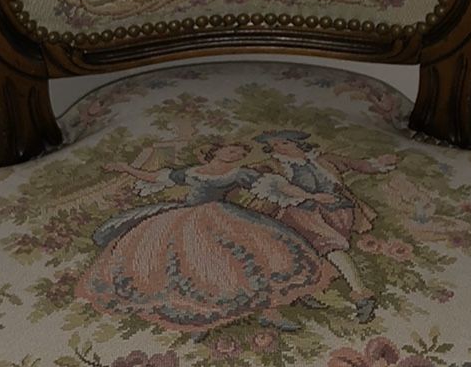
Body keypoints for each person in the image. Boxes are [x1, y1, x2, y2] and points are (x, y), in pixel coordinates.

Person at [76, 143, 333, 333]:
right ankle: (200, 315)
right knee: (181, 264)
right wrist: (124, 167)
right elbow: (154, 177)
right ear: (216, 152)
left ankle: (271, 310)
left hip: (220, 216)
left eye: (240, 153)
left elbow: (276, 186)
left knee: (251, 257)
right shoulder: (192, 172)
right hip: (183, 219)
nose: (237, 155)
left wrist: (313, 197)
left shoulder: (238, 173)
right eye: (232, 151)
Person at [247, 133, 398, 322]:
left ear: (298, 144)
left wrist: (379, 163)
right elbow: (250, 174)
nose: (279, 147)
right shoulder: (275, 165)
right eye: (274, 145)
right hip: (300, 212)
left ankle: (314, 291)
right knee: (315, 244)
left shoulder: (323, 160)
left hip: (337, 211)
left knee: (322, 246)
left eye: (284, 142)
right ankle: (357, 295)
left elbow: (358, 165)